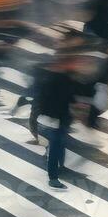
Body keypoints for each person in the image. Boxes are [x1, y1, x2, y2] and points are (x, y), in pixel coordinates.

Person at [37, 52, 77, 191]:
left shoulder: (63, 77)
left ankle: (60, 166)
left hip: (61, 119)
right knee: (56, 146)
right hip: (56, 119)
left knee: (60, 143)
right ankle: (53, 178)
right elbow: (47, 100)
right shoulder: (54, 79)